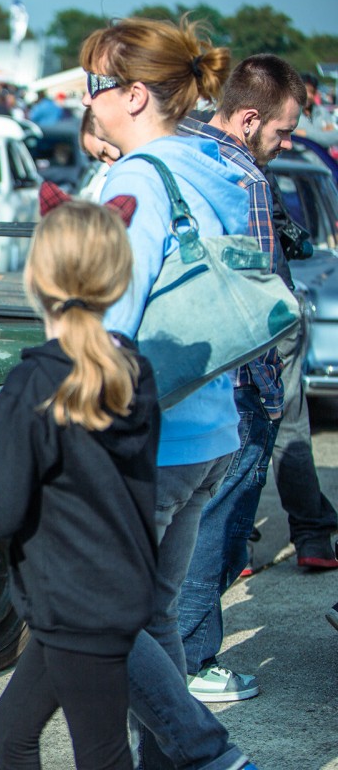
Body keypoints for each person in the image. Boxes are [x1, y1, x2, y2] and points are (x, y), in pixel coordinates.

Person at [0, 196, 158, 770]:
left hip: (74, 602)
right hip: (106, 591)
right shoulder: (131, 368)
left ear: (36, 278)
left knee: (102, 754)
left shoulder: (37, 382)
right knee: (10, 729)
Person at [81, 16, 252, 770]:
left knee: (92, 614)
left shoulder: (136, 179)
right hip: (212, 422)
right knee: (155, 615)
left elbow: (110, 323)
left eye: (95, 84)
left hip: (150, 436)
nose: (86, 99)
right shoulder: (215, 165)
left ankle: (204, 753)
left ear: (136, 95)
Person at [173, 53, 305, 703]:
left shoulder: (168, 151)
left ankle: (172, 651)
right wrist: (270, 396)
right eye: (281, 131)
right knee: (215, 526)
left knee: (178, 525)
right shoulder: (244, 178)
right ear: (249, 118)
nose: (283, 144)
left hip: (174, 378)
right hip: (235, 385)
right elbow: (257, 303)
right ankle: (193, 658)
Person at [266, 166, 338, 569]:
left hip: (232, 313)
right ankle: (312, 534)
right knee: (289, 423)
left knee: (235, 426)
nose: (285, 142)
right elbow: (288, 232)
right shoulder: (251, 165)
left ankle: (236, 540)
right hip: (275, 304)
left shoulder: (184, 151)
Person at [295, 72, 337, 146]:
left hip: (321, 157)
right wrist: (322, 132)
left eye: (312, 92)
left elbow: (335, 137)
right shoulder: (291, 113)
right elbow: (295, 142)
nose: (308, 95)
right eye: (304, 91)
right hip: (298, 157)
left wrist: (306, 134)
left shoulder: (322, 112)